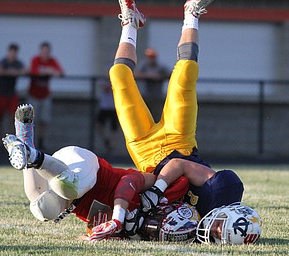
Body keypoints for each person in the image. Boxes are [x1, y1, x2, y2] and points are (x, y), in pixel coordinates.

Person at [109, 0, 261, 244]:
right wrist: (157, 192)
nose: (218, 232)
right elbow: (180, 165)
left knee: (118, 78)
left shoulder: (200, 234)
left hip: (145, 154)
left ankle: (130, 23)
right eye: (223, 228)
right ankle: (192, 13)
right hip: (178, 141)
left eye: (222, 235)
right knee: (185, 74)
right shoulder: (224, 192)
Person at [3, 104, 189, 241]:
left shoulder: (131, 231)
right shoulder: (152, 193)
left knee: (43, 208)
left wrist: (97, 235)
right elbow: (130, 180)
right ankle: (33, 155)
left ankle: (25, 140)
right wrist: (118, 218)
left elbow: (90, 231)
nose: (153, 227)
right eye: (158, 225)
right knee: (70, 188)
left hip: (63, 183)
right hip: (82, 167)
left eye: (155, 231)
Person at [28, 41, 64, 150]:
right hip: (33, 94)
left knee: (44, 120)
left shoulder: (52, 61)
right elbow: (33, 72)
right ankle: (30, 142)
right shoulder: (36, 60)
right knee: (32, 120)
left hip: (45, 95)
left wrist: (50, 71)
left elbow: (60, 73)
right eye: (43, 51)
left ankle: (41, 141)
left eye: (47, 52)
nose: (45, 54)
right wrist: (48, 71)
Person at [0, 43, 26, 150]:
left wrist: (13, 72)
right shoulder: (3, 62)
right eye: (11, 52)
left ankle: (11, 142)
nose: (13, 55)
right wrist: (11, 72)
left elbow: (24, 71)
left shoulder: (17, 63)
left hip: (11, 94)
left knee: (13, 118)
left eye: (14, 53)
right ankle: (0, 143)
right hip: (0, 93)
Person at [135, 48, 169, 122]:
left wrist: (159, 77)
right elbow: (136, 74)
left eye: (152, 57)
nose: (151, 59)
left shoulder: (160, 67)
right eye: (149, 57)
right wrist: (149, 76)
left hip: (156, 96)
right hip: (144, 96)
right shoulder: (143, 66)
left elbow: (170, 74)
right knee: (144, 117)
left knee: (156, 117)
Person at [96, 77, 119, 153]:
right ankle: (106, 139)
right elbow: (105, 87)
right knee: (99, 125)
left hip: (113, 107)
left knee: (114, 127)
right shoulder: (103, 79)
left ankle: (111, 144)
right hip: (104, 107)